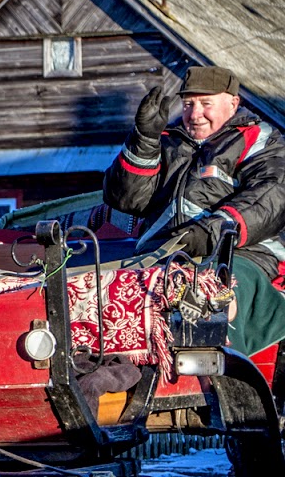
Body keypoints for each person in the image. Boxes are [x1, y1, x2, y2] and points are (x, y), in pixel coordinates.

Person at [103, 65, 285, 355]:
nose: (195, 114)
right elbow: (125, 199)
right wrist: (144, 140)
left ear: (233, 103)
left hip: (240, 254)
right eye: (188, 104)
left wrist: (211, 233)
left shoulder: (259, 139)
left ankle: (223, 375)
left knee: (213, 295)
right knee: (110, 295)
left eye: (205, 103)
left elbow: (270, 196)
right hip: (160, 255)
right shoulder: (169, 140)